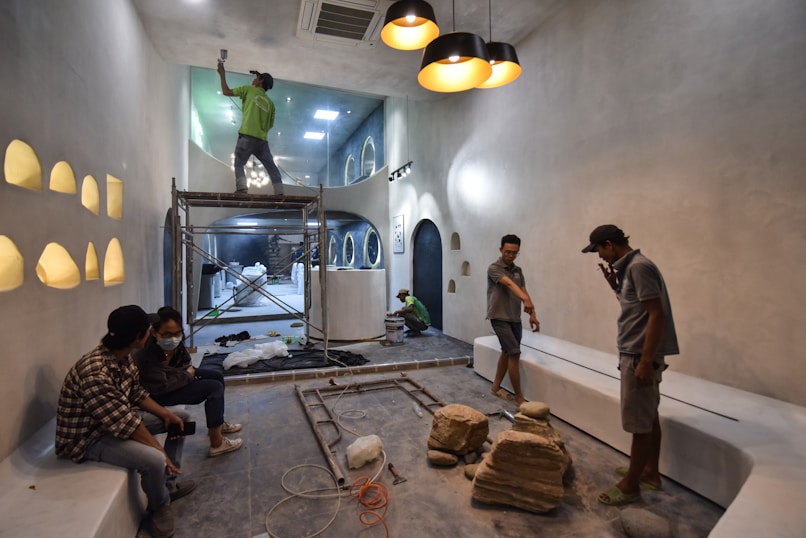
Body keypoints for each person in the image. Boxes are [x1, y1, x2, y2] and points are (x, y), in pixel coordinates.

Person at [56, 305, 196, 538]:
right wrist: (160, 452)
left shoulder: (122, 357)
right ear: (137, 337)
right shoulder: (95, 374)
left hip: (112, 420)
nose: (151, 333)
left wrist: (165, 414)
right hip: (89, 437)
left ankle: (168, 485)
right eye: (147, 330)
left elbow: (136, 394)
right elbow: (127, 424)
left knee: (181, 419)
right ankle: (159, 506)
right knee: (152, 460)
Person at [581, 224, 679, 506]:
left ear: (609, 244)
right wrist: (616, 288)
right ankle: (649, 472)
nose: (600, 257)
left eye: (599, 250)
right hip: (636, 353)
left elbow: (656, 315)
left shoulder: (638, 267)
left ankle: (631, 485)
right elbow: (638, 307)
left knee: (639, 423)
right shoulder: (632, 269)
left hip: (639, 355)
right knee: (649, 416)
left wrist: (645, 361)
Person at [134, 306, 243, 457]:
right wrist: (187, 375)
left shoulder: (178, 341)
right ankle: (217, 443)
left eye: (177, 333)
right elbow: (161, 386)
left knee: (217, 376)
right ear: (154, 332)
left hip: (178, 377)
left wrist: (187, 373)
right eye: (166, 334)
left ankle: (218, 424)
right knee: (213, 388)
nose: (173, 338)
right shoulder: (146, 352)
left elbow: (186, 362)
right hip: (159, 392)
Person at [487, 234, 540, 406]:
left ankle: (495, 387)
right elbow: (509, 284)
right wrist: (525, 299)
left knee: (507, 351)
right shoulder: (494, 268)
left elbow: (523, 289)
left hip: (514, 318)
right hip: (499, 317)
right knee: (514, 352)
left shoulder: (518, 271)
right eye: (508, 252)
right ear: (501, 249)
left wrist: (532, 313)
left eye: (514, 253)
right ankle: (519, 397)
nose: (510, 255)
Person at [217, 60, 284, 195]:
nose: (253, 80)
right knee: (271, 166)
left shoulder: (248, 90)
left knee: (239, 162)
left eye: (256, 78)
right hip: (262, 140)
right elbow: (270, 125)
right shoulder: (271, 104)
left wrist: (222, 74)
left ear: (260, 81)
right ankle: (280, 191)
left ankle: (242, 188)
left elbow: (226, 91)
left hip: (246, 136)